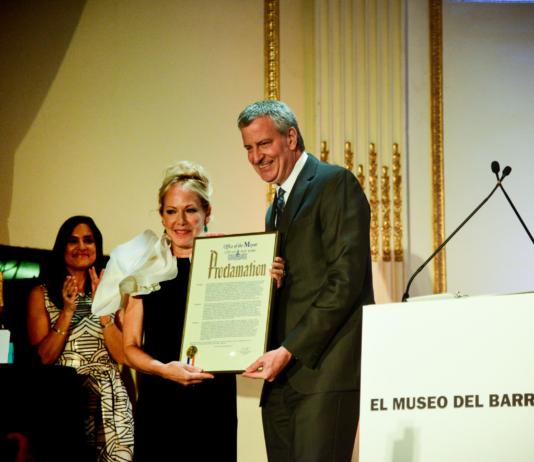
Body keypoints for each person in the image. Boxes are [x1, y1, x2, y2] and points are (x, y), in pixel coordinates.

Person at [92, 161, 284, 461]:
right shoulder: (143, 268)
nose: (180, 220)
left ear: (207, 212)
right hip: (160, 402)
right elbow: (128, 347)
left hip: (213, 402)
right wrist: (163, 370)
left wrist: (271, 282)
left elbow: (251, 324)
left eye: (190, 210)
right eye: (171, 211)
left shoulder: (233, 262)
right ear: (161, 215)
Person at [238, 100, 374, 462]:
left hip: (325, 372)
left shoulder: (334, 182)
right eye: (249, 148)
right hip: (281, 378)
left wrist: (288, 349)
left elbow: (345, 280)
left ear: (291, 137)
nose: (256, 156)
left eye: (263, 144)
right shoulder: (274, 209)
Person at [27, 216, 134, 462]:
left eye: (89, 240)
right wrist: (66, 311)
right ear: (61, 247)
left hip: (110, 403)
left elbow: (121, 356)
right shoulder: (40, 294)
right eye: (72, 241)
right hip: (64, 401)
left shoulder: (116, 292)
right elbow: (43, 358)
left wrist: (103, 308)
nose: (81, 247)